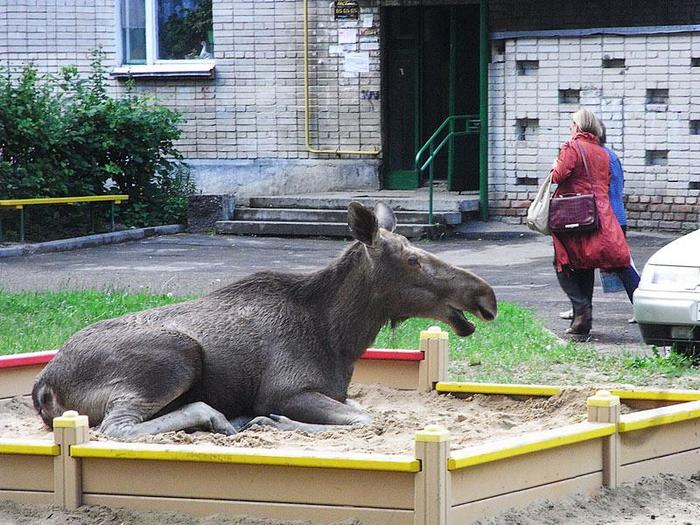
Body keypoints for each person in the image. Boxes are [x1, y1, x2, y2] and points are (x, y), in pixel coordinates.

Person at [551, 108, 632, 337]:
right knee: (584, 264)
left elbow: (558, 176)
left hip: (573, 213)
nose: (570, 128)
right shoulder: (602, 152)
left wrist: (555, 163)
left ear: (577, 126)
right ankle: (582, 321)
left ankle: (582, 309)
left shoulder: (572, 146)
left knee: (562, 262)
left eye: (571, 124)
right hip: (600, 214)